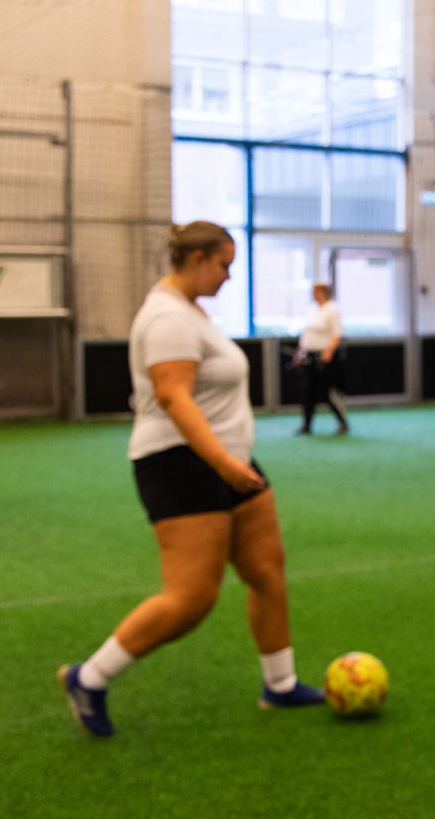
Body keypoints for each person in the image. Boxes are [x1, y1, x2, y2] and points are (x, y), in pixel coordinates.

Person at [59, 221, 327, 737]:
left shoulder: (189, 311)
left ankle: (281, 683)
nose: (229, 276)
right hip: (181, 464)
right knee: (190, 598)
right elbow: (172, 396)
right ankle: (88, 677)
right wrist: (223, 464)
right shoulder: (167, 317)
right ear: (198, 258)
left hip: (229, 460)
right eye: (224, 264)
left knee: (265, 569)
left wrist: (231, 462)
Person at [293, 281, 350, 435]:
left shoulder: (332, 309)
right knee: (307, 390)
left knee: (327, 391)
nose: (314, 294)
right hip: (309, 355)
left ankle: (342, 421)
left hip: (325, 357)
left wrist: (328, 352)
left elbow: (337, 333)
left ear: (324, 293)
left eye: (316, 291)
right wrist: (299, 351)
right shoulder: (312, 309)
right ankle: (306, 424)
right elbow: (306, 332)